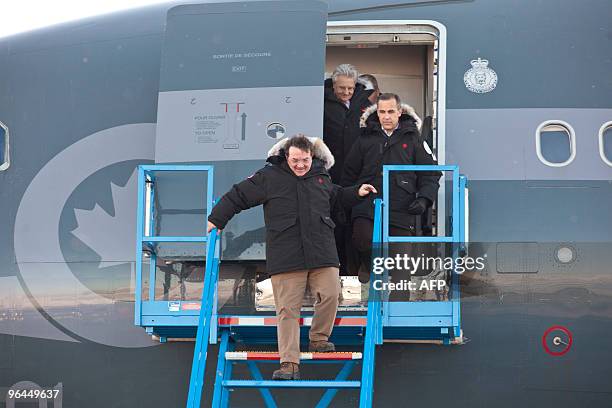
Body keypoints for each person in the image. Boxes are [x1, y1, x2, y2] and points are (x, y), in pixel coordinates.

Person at [207, 135, 376, 380]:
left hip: (321, 251)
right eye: (295, 160)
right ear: (287, 157)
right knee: (287, 310)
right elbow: (238, 196)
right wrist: (217, 219)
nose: (300, 165)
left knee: (330, 294)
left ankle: (318, 339)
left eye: (305, 160)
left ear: (312, 157)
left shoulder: (321, 175)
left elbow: (337, 196)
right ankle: (289, 364)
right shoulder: (269, 176)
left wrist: (357, 192)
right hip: (286, 255)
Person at [341, 93, 441, 285]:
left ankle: (399, 306)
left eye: (391, 111)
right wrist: (351, 197)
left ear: (400, 112)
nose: (386, 116)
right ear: (377, 113)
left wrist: (424, 200)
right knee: (363, 239)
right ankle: (369, 265)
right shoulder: (364, 139)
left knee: (401, 265)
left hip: (403, 208)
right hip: (367, 205)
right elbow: (348, 175)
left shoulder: (414, 140)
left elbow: (431, 173)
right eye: (382, 112)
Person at [324, 65, 375, 277]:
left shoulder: (365, 104)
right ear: (333, 85)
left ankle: (356, 271)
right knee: (334, 223)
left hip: (357, 175)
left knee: (357, 225)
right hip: (331, 174)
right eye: (341, 88)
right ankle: (337, 271)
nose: (346, 92)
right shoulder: (321, 103)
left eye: (350, 88)